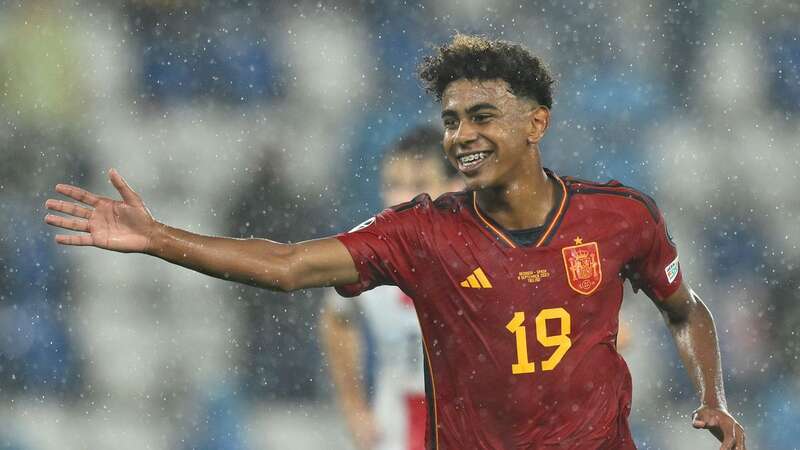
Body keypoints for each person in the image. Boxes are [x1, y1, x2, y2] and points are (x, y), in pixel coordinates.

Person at [44, 34, 746, 449]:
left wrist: (712, 394)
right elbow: (290, 267)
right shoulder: (421, 232)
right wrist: (159, 236)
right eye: (451, 120)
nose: (462, 136)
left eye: (481, 116)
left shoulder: (621, 216)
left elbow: (684, 310)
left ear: (537, 123)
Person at [320, 126, 460, 450]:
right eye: (393, 185)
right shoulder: (365, 254)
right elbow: (336, 317)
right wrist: (354, 408)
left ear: (455, 187)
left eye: (419, 184)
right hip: (395, 430)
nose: (401, 198)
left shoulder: (483, 254)